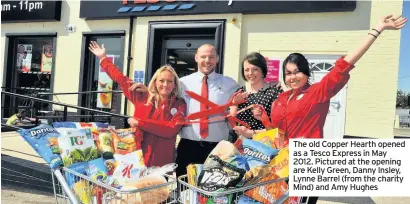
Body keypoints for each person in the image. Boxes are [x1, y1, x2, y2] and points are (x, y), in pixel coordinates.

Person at [253, 14, 406, 204]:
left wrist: (377, 30)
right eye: (288, 73)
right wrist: (263, 121)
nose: (292, 77)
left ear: (306, 73)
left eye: (297, 72)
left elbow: (344, 65)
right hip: (282, 163)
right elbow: (276, 132)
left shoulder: (317, 93)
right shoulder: (281, 99)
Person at [129, 44, 248, 176]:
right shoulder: (182, 83)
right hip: (188, 147)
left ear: (217, 59)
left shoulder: (230, 83)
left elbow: (241, 101)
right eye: (203, 56)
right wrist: (149, 91)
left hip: (218, 148)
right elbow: (165, 94)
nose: (207, 61)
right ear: (196, 57)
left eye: (211, 57)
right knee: (184, 190)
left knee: (214, 192)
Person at [88, 41, 187, 167]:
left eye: (169, 81)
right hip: (136, 158)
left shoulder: (179, 104)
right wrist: (103, 58)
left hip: (162, 164)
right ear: (155, 82)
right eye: (162, 80)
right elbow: (120, 78)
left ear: (174, 85)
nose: (165, 85)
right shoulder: (142, 95)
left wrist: (140, 123)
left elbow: (171, 130)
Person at [230, 52, 283, 139]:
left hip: (264, 144)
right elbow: (231, 121)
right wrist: (234, 104)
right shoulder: (240, 92)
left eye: (255, 69)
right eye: (246, 70)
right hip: (242, 145)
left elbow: (278, 127)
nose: (250, 73)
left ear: (262, 70)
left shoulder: (274, 93)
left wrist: (251, 133)